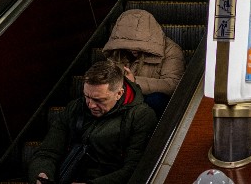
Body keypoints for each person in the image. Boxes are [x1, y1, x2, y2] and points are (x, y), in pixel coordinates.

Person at [28, 59, 158, 184]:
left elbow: (135, 169)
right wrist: (41, 174)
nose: (90, 105)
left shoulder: (141, 116)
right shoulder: (75, 108)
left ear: (119, 93)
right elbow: (47, 152)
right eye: (87, 96)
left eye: (99, 100)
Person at [103, 9, 185, 115]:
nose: (132, 49)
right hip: (123, 98)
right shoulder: (118, 51)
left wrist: (135, 82)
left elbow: (173, 85)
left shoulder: (171, 50)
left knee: (156, 99)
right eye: (128, 44)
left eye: (137, 45)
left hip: (151, 102)